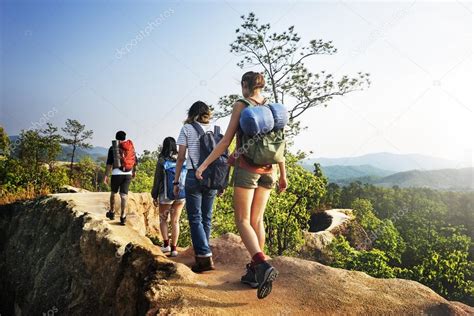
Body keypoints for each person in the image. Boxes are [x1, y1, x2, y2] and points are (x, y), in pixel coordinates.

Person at [194, 71, 287, 299]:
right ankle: (255, 273)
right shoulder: (272, 108)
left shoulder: (241, 105)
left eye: (242, 85)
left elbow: (225, 141)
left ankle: (262, 265)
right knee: (258, 220)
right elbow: (280, 144)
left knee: (243, 220)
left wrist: (203, 165)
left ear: (245, 85)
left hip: (248, 171)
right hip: (271, 170)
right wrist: (284, 175)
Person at [174, 101, 219, 273]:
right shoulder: (215, 128)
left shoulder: (187, 129)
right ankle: (203, 256)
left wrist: (176, 181)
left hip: (194, 175)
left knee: (195, 218)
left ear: (191, 113)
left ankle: (204, 255)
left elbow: (180, 158)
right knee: (206, 218)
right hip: (213, 176)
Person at [151, 137, 186, 257]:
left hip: (166, 194)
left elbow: (157, 179)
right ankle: (174, 249)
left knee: (163, 219)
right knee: (175, 221)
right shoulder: (182, 159)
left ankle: (166, 245)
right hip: (181, 194)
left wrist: (154, 195)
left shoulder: (162, 160)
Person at [104, 130, 137, 225]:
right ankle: (123, 216)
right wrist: (134, 172)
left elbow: (109, 164)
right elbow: (135, 160)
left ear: (116, 138)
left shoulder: (113, 148)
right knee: (124, 195)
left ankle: (112, 212)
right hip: (128, 173)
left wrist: (106, 175)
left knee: (113, 193)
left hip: (116, 174)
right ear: (125, 138)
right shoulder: (131, 147)